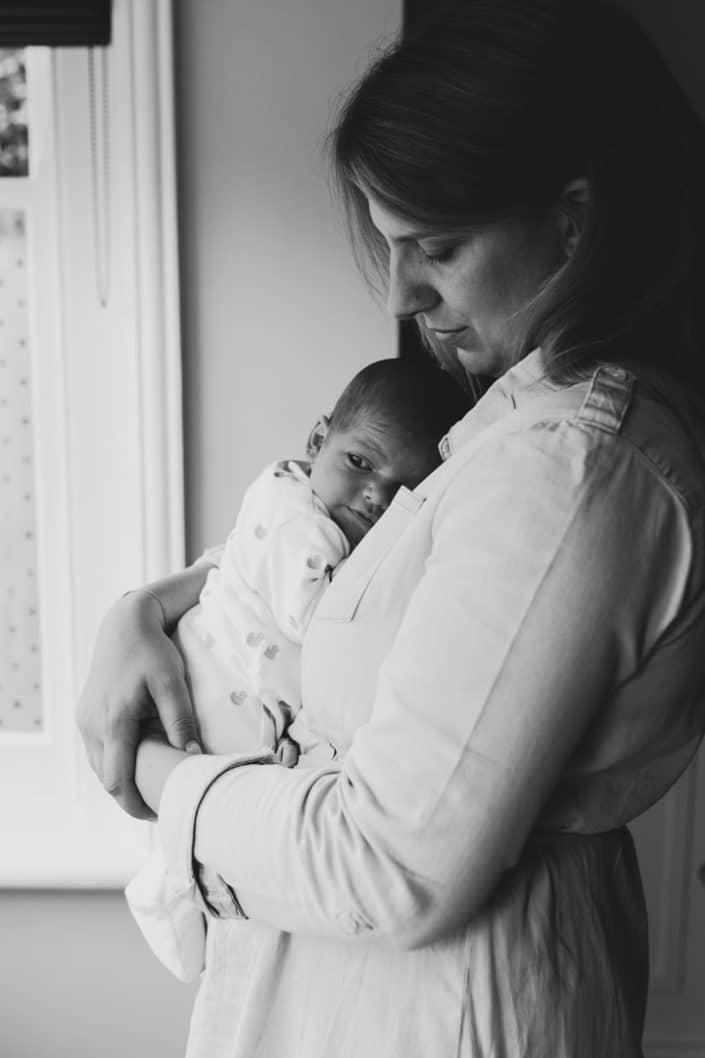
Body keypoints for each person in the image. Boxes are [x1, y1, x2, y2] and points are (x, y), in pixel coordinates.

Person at [77, 0, 705, 1054]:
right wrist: (149, 606)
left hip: (444, 1011)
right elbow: (377, 590)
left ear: (574, 218)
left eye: (438, 249)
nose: (407, 293)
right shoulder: (508, 431)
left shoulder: (575, 468)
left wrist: (147, 768)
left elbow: (392, 860)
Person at [123, 356, 469, 982]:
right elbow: (329, 623)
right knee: (203, 828)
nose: (374, 496)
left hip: (243, 690)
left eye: (400, 492)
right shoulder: (296, 520)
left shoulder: (309, 507)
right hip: (217, 685)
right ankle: (166, 891)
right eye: (361, 464)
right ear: (317, 442)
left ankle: (174, 889)